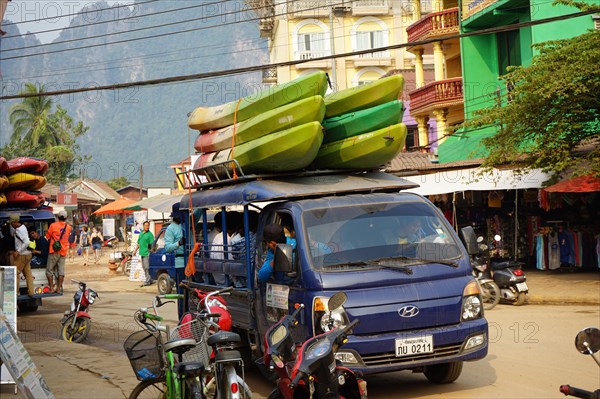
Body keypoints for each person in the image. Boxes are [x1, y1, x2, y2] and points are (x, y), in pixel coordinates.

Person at [45, 210, 72, 294]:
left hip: (54, 250)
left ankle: (52, 289)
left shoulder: (53, 225)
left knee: (49, 270)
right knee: (61, 271)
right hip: (63, 251)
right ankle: (59, 288)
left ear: (57, 217)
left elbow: (47, 236)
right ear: (66, 218)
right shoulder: (69, 227)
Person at [9, 214, 34, 297]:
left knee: (15, 273)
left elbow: (26, 242)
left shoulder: (20, 230)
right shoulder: (22, 227)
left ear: (16, 222)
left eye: (12, 223)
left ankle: (16, 292)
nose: (11, 224)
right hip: (28, 254)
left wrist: (18, 251)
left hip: (22, 255)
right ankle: (31, 292)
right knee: (28, 274)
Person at [134, 221, 155, 287]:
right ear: (143, 226)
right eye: (145, 225)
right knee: (144, 267)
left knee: (147, 267)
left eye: (148, 225)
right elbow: (138, 243)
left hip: (147, 253)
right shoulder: (141, 233)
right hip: (142, 253)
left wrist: (151, 252)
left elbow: (152, 245)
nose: (147, 227)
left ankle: (148, 280)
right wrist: (135, 251)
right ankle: (150, 279)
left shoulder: (150, 234)